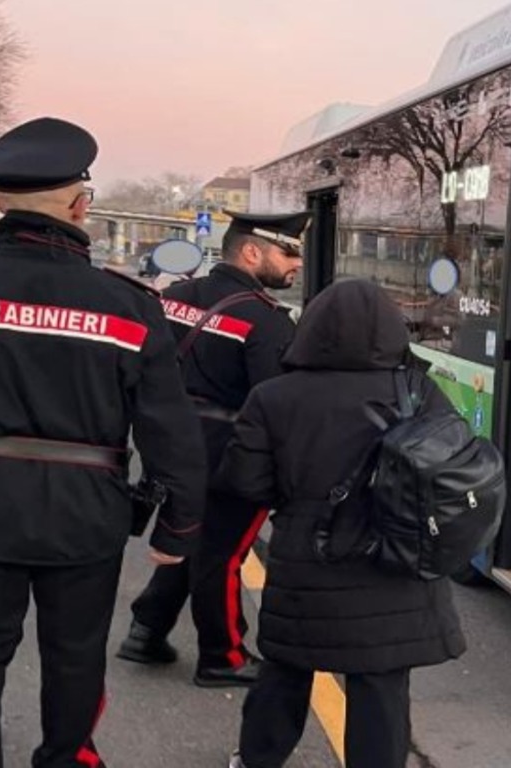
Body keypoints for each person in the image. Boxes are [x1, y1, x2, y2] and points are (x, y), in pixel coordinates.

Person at [0, 116, 207, 768]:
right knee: (75, 657)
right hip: (86, 515)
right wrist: (177, 529)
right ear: (80, 205)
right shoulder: (130, 308)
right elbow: (171, 430)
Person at [217, 279, 465, 768]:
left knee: (286, 668)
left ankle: (257, 758)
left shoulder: (273, 397)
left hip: (306, 555)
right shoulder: (417, 392)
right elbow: (451, 469)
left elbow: (246, 482)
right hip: (395, 557)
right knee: (381, 681)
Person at [117, 208, 310, 687]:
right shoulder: (266, 321)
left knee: (192, 539)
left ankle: (146, 629)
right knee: (222, 556)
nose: (297, 264)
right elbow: (277, 407)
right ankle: (223, 655)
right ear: (251, 251)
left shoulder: (169, 299)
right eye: (288, 252)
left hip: (169, 446)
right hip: (231, 455)